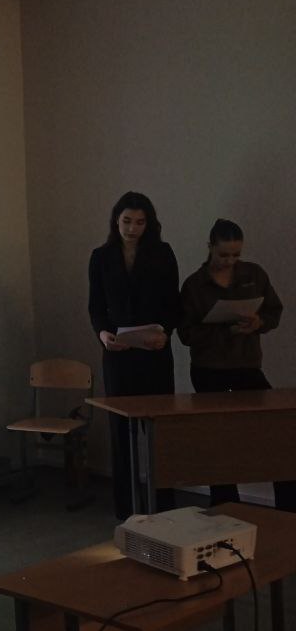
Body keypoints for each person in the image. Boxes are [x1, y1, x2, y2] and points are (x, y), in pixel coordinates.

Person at [177, 218, 294, 510]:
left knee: (277, 431)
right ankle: (225, 506)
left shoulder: (254, 274)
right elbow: (186, 334)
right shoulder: (194, 285)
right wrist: (223, 330)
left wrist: (258, 322)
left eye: (236, 255)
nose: (230, 261)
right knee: (218, 440)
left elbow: (274, 311)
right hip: (209, 370)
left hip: (247, 365)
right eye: (223, 254)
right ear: (210, 247)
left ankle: (288, 509)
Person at [88, 192, 180, 520]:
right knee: (120, 432)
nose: (132, 228)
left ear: (148, 224)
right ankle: (126, 510)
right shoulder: (101, 256)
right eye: (127, 221)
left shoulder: (162, 253)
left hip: (154, 353)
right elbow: (96, 307)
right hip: (118, 355)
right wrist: (103, 335)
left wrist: (165, 331)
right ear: (116, 220)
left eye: (140, 222)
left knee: (160, 432)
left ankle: (164, 507)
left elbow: (173, 303)